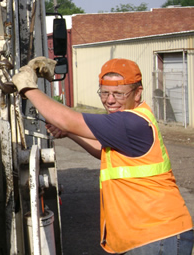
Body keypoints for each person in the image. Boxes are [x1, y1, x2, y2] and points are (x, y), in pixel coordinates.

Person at [12, 57, 194, 255]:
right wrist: (69, 133)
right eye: (105, 92)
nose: (109, 100)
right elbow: (102, 150)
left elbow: (66, 118)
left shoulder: (130, 122)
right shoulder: (131, 121)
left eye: (118, 93)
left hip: (157, 237)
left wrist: (28, 88)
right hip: (148, 237)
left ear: (137, 93)